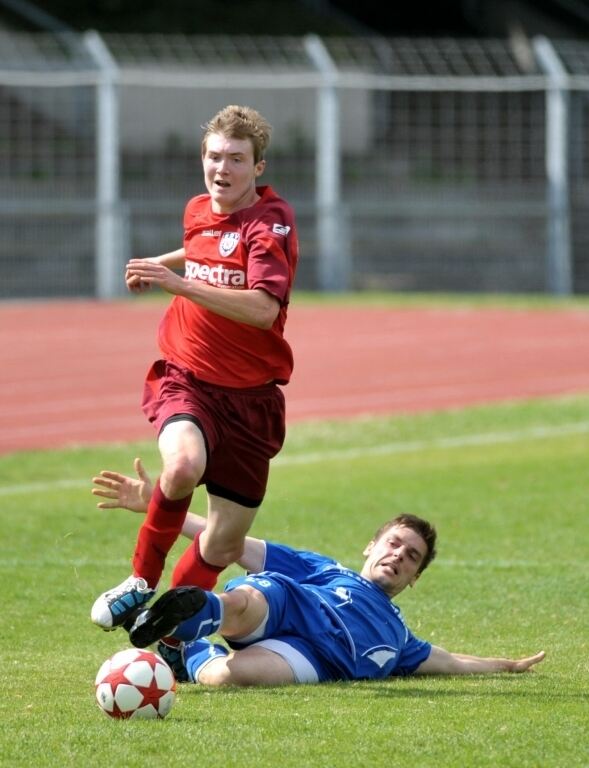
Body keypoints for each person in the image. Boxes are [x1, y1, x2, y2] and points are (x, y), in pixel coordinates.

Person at [91, 105, 299, 632]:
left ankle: (169, 626)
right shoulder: (198, 209)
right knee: (182, 467)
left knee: (225, 542)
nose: (220, 168)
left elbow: (263, 309)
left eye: (235, 158)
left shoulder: (270, 223)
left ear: (258, 167)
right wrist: (160, 265)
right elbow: (201, 245)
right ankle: (139, 581)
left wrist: (178, 283)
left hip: (251, 401)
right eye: (212, 156)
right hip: (188, 377)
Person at [92, 462, 545, 686]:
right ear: (371, 547)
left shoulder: (401, 639)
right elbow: (227, 541)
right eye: (393, 544)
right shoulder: (325, 570)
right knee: (250, 600)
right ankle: (197, 614)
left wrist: (506, 665)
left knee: (226, 679)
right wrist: (159, 508)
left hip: (314, 658)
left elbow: (449, 662)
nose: (398, 556)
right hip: (289, 603)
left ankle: (185, 646)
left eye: (411, 557)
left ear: (414, 578)